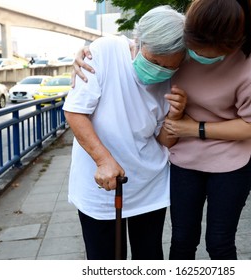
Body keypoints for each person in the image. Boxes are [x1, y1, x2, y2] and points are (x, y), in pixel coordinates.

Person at [72, 0, 251, 260]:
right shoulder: (171, 49)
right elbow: (79, 107)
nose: (202, 56)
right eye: (195, 48)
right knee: (179, 240)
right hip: (179, 161)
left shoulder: (241, 61)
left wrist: (190, 125)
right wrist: (87, 54)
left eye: (170, 67)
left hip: (215, 163)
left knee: (217, 242)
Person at [62, 5, 187, 260]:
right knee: (106, 260)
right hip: (101, 186)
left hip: (149, 185)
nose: (159, 71)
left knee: (149, 257)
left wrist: (175, 115)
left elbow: (163, 140)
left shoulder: (174, 77)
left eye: (168, 67)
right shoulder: (104, 51)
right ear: (138, 41)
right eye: (154, 61)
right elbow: (75, 112)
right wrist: (103, 159)